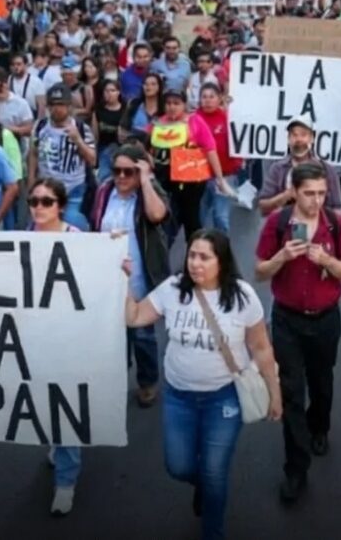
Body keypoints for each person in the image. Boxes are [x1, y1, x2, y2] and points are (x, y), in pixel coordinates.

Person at [124, 229, 281, 540]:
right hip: (178, 398)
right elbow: (135, 317)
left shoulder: (242, 297)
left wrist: (275, 394)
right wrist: (125, 281)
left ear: (221, 262)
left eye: (204, 257)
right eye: (191, 255)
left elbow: (262, 348)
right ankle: (204, 488)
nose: (195, 263)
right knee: (178, 466)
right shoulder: (172, 289)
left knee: (214, 472)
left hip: (222, 400)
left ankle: (213, 530)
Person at [255, 162, 341, 504]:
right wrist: (283, 256)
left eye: (321, 193)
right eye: (308, 193)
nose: (315, 200)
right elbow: (260, 271)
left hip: (326, 318)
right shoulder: (278, 223)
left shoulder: (336, 224)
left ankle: (320, 426)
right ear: (294, 192)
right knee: (292, 390)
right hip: (287, 319)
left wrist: (327, 262)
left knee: (322, 379)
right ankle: (296, 468)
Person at [20, 177, 86, 515]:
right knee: (41, 401)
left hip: (68, 340)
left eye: (47, 202)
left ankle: (66, 481)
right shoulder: (20, 242)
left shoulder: (78, 241)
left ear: (60, 205)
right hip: (33, 339)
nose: (38, 208)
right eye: (33, 202)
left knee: (66, 406)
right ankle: (58, 444)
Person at [90, 144, 170, 407]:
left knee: (142, 334)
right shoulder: (104, 192)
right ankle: (115, 378)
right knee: (112, 333)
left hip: (140, 277)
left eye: (129, 171)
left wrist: (146, 181)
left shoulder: (149, 193)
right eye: (117, 171)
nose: (122, 177)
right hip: (107, 276)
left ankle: (147, 381)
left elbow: (157, 215)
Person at [148, 86, 233, 245]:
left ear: (184, 105)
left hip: (191, 182)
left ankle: (194, 258)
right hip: (164, 181)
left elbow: (210, 149)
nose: (172, 107)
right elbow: (147, 147)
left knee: (191, 222)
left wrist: (220, 180)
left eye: (176, 103)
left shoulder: (194, 121)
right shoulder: (158, 123)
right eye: (168, 103)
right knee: (166, 222)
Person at [28, 84, 97, 230]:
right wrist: (31, 182)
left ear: (69, 106)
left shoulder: (81, 128)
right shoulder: (40, 126)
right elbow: (33, 153)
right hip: (46, 188)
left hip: (73, 189)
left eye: (61, 104)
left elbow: (92, 159)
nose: (57, 109)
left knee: (73, 224)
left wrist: (78, 140)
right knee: (40, 227)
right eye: (53, 104)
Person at [258, 116, 341, 216]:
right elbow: (263, 207)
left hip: (317, 228)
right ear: (288, 139)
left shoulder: (327, 170)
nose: (299, 139)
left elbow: (338, 210)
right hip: (284, 227)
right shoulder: (277, 168)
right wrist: (285, 196)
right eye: (294, 135)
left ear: (312, 138)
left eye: (303, 135)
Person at [196, 82, 240, 232]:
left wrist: (238, 162)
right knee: (199, 216)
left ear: (219, 98)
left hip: (225, 175)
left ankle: (222, 251)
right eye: (204, 97)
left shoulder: (228, 118)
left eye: (211, 97)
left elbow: (238, 140)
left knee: (221, 217)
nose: (207, 100)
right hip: (199, 177)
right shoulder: (193, 120)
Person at [9, 52, 45, 117]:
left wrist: (38, 123)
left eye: (19, 64)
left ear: (25, 65)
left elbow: (41, 105)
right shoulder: (9, 79)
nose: (15, 67)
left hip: (31, 116)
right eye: (13, 64)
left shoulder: (36, 81)